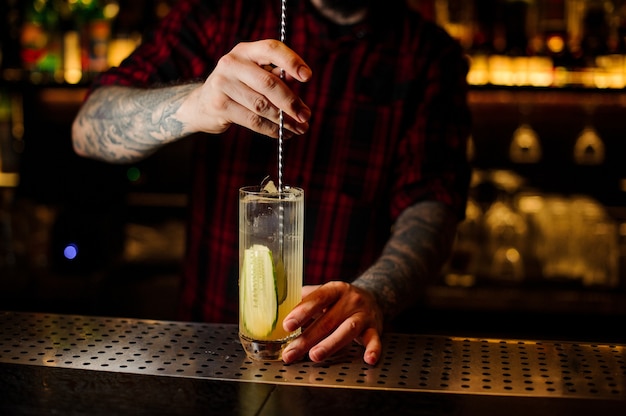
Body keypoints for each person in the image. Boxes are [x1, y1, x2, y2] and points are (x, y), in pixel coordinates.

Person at [71, 0, 471, 366]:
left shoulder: (429, 55)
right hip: (207, 355)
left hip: (342, 357)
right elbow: (88, 129)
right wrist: (195, 104)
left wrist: (375, 293)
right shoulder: (220, 13)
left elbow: (432, 205)